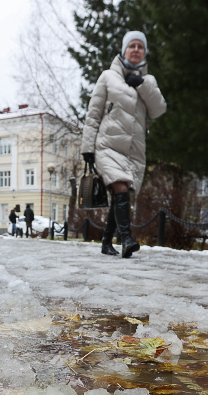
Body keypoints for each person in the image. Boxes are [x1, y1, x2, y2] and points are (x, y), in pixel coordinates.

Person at [81, 30, 166, 258]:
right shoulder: (108, 77)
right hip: (108, 144)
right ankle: (127, 239)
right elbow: (93, 114)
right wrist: (87, 148)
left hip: (134, 150)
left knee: (122, 193)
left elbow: (159, 109)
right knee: (120, 187)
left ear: (144, 52)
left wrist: (142, 85)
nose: (136, 50)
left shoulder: (149, 81)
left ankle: (106, 241)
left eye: (140, 46)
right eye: (132, 46)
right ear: (124, 50)